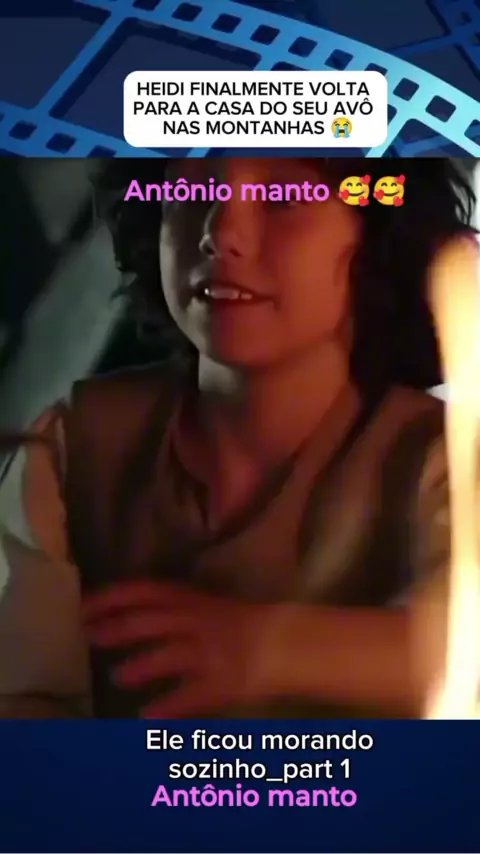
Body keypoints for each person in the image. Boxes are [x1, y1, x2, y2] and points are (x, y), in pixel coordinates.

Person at [0, 156, 476, 719]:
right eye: (192, 193)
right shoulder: (71, 450)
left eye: (284, 200)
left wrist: (273, 651)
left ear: (373, 235)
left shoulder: (443, 459)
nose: (220, 232)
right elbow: (24, 699)